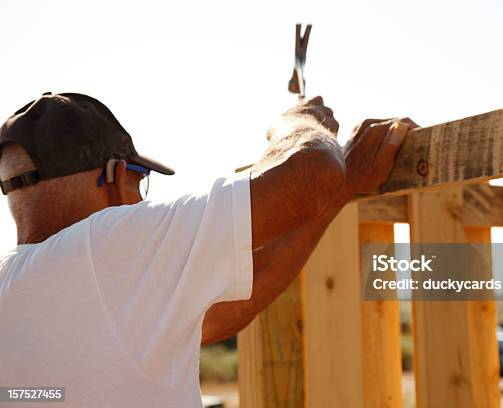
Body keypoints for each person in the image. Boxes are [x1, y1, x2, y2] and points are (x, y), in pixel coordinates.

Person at [0, 92, 414, 407]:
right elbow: (313, 171)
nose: (141, 200)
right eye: (139, 180)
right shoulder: (104, 245)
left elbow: (227, 311)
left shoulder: (18, 285)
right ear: (114, 177)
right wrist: (299, 123)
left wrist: (338, 195)